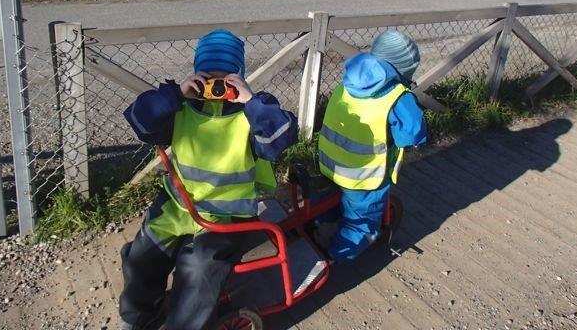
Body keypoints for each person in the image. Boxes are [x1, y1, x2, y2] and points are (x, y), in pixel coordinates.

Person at [119, 29, 298, 330]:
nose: (215, 88)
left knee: (199, 268)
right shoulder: (180, 106)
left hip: (228, 215)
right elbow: (140, 120)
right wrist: (176, 95)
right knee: (141, 255)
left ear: (238, 76)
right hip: (179, 204)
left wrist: (250, 101)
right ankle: (137, 318)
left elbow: (281, 139)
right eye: (208, 79)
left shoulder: (252, 111)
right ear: (195, 73)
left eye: (224, 80)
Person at [318, 30, 427, 262]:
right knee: (362, 219)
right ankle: (337, 255)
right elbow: (411, 134)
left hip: (330, 160)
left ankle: (318, 219)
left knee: (332, 195)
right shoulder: (398, 96)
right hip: (364, 175)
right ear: (403, 69)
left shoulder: (350, 80)